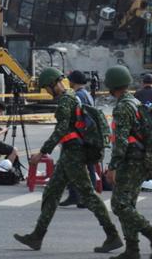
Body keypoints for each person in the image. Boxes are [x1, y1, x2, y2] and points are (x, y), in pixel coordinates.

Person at [13, 68, 121, 254]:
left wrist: (42, 153)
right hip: (69, 155)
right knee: (52, 193)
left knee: (88, 195)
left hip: (74, 154)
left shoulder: (65, 100)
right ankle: (37, 236)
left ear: (53, 84)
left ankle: (112, 235)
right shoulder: (72, 95)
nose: (47, 92)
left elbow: (61, 130)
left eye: (47, 88)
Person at [104, 65, 152, 259]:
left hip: (131, 161)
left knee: (119, 205)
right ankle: (132, 249)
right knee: (128, 205)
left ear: (111, 85)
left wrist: (112, 167)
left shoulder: (123, 106)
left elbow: (121, 141)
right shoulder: (133, 101)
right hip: (141, 160)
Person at [60, 70, 97, 208]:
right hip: (88, 135)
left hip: (80, 136)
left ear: (73, 82)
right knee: (86, 166)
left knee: (81, 167)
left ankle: (83, 197)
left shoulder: (78, 96)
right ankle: (76, 196)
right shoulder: (87, 94)